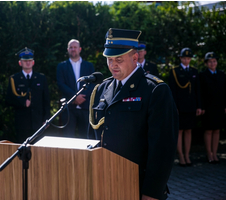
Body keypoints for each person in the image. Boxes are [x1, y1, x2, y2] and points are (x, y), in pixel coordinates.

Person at [90, 28, 178, 200]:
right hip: (104, 183)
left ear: (135, 57)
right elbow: (92, 138)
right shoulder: (101, 89)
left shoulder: (155, 90)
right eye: (109, 59)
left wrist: (151, 192)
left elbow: (162, 149)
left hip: (137, 184)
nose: (113, 65)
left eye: (119, 60)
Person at [6, 47, 50, 143]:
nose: (28, 63)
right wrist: (22, 102)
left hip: (38, 122)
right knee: (23, 151)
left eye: (30, 60)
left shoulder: (41, 78)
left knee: (39, 151)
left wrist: (46, 119)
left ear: (33, 62)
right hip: (22, 123)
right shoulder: (14, 79)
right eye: (25, 61)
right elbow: (9, 99)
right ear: (20, 63)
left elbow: (46, 100)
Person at [168, 47, 202, 167]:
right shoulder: (174, 71)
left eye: (188, 58)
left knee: (188, 131)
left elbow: (197, 90)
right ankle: (181, 156)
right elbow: (172, 91)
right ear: (180, 58)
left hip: (191, 106)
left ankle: (187, 155)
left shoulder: (194, 71)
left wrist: (199, 106)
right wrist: (174, 107)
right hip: (179, 107)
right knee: (180, 131)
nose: (186, 60)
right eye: (184, 58)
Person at [56, 39, 95, 138]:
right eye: (71, 47)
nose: (73, 49)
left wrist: (82, 97)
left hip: (85, 106)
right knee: (68, 138)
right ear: (68, 49)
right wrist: (74, 97)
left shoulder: (89, 66)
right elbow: (61, 84)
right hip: (69, 108)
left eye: (75, 47)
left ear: (80, 49)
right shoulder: (61, 66)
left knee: (86, 138)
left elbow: (93, 84)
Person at [199, 52, 226, 164]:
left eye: (214, 61)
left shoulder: (221, 74)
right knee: (209, 131)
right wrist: (201, 106)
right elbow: (200, 92)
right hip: (208, 107)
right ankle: (209, 154)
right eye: (210, 61)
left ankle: (215, 154)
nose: (212, 63)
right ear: (206, 63)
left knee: (217, 130)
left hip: (219, 106)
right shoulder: (202, 75)